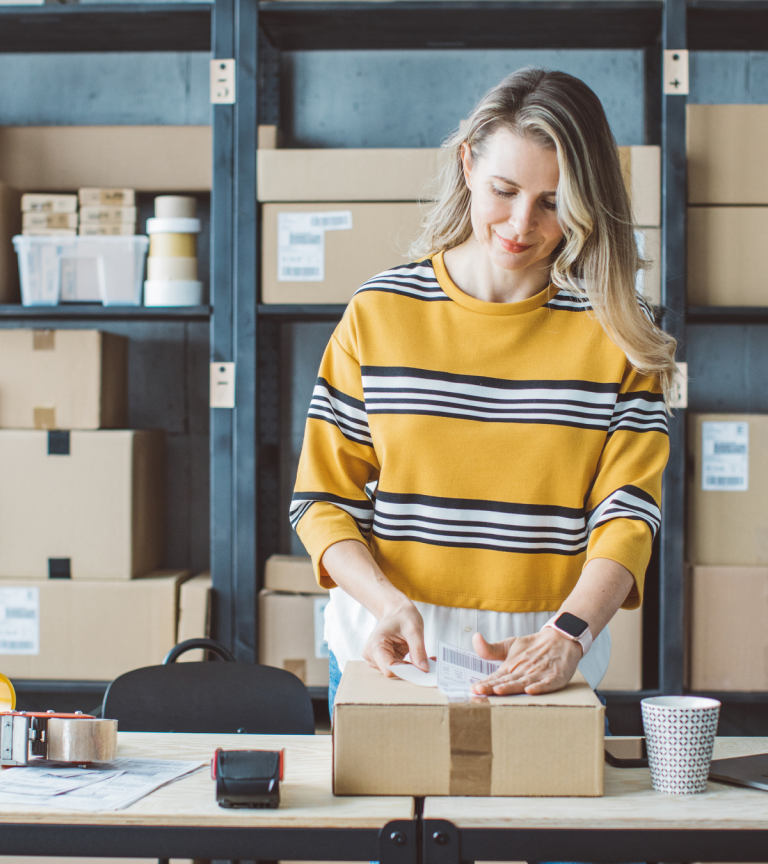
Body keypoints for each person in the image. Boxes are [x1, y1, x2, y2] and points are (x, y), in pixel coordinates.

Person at [290, 67, 677, 718]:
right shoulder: (379, 313)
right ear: (467, 164)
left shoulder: (617, 329)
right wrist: (386, 604)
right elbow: (322, 501)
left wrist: (570, 634)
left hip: (543, 658)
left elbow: (629, 515)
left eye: (553, 203)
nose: (521, 224)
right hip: (388, 659)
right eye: (504, 190)